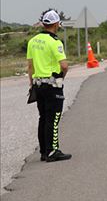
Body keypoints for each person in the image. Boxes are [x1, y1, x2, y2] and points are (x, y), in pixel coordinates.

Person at [26, 9, 72, 162]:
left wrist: (31, 84)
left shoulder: (33, 41)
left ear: (44, 24)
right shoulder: (55, 42)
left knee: (43, 118)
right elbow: (64, 66)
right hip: (52, 85)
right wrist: (61, 78)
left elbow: (30, 66)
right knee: (54, 118)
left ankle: (44, 151)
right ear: (56, 24)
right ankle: (53, 151)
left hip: (38, 85)